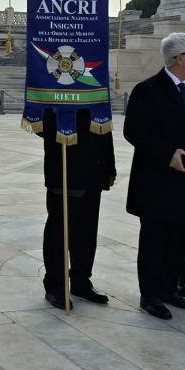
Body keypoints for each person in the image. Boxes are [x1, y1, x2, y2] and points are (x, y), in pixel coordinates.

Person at [125, 32, 185, 320]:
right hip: (156, 181)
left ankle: (170, 287)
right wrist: (167, 153)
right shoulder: (148, 89)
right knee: (155, 238)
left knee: (179, 237)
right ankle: (151, 294)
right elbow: (134, 132)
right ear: (179, 58)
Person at [39, 109, 117, 310]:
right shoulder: (52, 84)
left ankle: (81, 281)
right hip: (65, 166)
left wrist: (110, 165)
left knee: (87, 231)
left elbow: (104, 126)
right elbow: (39, 124)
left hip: (94, 168)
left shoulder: (95, 83)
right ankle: (55, 286)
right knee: (59, 232)